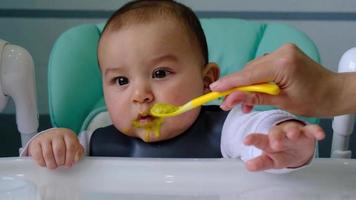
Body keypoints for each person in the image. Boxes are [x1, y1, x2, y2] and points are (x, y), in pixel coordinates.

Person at [21, 0, 325, 172]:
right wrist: (49, 143)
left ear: (207, 81)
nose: (141, 95)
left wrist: (284, 138)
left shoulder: (227, 130)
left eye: (160, 73)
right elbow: (36, 172)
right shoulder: (95, 142)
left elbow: (258, 131)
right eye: (121, 81)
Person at [210, 43, 356, 117]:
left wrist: (333, 93)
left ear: (206, 80)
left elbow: (259, 127)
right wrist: (334, 93)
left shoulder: (231, 125)